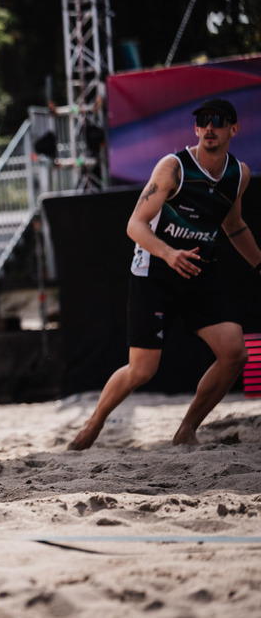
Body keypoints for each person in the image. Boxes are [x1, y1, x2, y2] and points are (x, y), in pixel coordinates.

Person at [70, 98, 261, 450]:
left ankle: (187, 429)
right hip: (155, 270)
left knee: (235, 353)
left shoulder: (239, 174)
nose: (209, 128)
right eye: (203, 121)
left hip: (198, 270)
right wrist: (169, 253)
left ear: (234, 129)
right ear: (195, 128)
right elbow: (134, 225)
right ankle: (95, 421)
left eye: (218, 121)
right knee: (142, 371)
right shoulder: (174, 168)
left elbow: (234, 226)